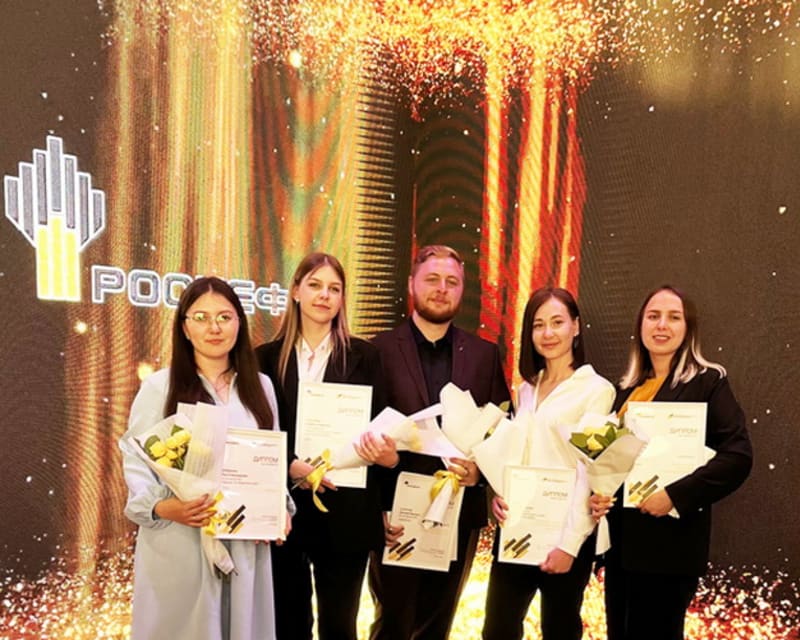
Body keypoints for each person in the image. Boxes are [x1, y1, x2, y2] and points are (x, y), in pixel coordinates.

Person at [120, 276, 282, 640]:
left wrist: (277, 512)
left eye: (225, 317)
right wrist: (162, 507)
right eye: (201, 318)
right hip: (180, 539)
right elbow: (135, 460)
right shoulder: (159, 387)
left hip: (243, 542)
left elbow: (271, 458)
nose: (214, 328)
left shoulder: (262, 387)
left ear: (239, 323)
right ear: (184, 327)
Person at [591, 285, 753, 640]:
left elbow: (737, 456)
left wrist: (675, 496)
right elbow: (614, 465)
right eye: (653, 316)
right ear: (641, 325)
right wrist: (601, 495)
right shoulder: (626, 389)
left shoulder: (708, 382)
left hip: (669, 549)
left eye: (673, 317)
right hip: (621, 549)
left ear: (688, 328)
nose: (661, 325)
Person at [368, 244, 511, 640]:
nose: (441, 289)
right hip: (395, 513)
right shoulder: (378, 349)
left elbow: (503, 427)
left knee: (438, 626)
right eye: (432, 279)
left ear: (462, 290)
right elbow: (362, 431)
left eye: (452, 282)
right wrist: (374, 509)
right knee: (391, 626)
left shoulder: (484, 354)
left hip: (458, 511)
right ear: (411, 284)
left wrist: (479, 472)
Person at [255, 252, 396, 640]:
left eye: (334, 289)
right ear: (296, 291)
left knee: (340, 625)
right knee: (288, 623)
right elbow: (256, 433)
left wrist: (386, 477)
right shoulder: (264, 359)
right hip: (284, 510)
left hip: (347, 510)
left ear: (342, 299)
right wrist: (290, 465)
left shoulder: (367, 357)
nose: (324, 295)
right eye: (315, 285)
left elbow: (382, 429)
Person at [481, 287, 615, 640]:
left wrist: (569, 545)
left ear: (576, 326)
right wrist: (501, 494)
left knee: (559, 629)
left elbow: (590, 471)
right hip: (518, 527)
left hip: (566, 532)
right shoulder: (526, 389)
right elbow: (518, 455)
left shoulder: (597, 390)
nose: (548, 333)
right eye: (538, 325)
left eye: (557, 322)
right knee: (497, 629)